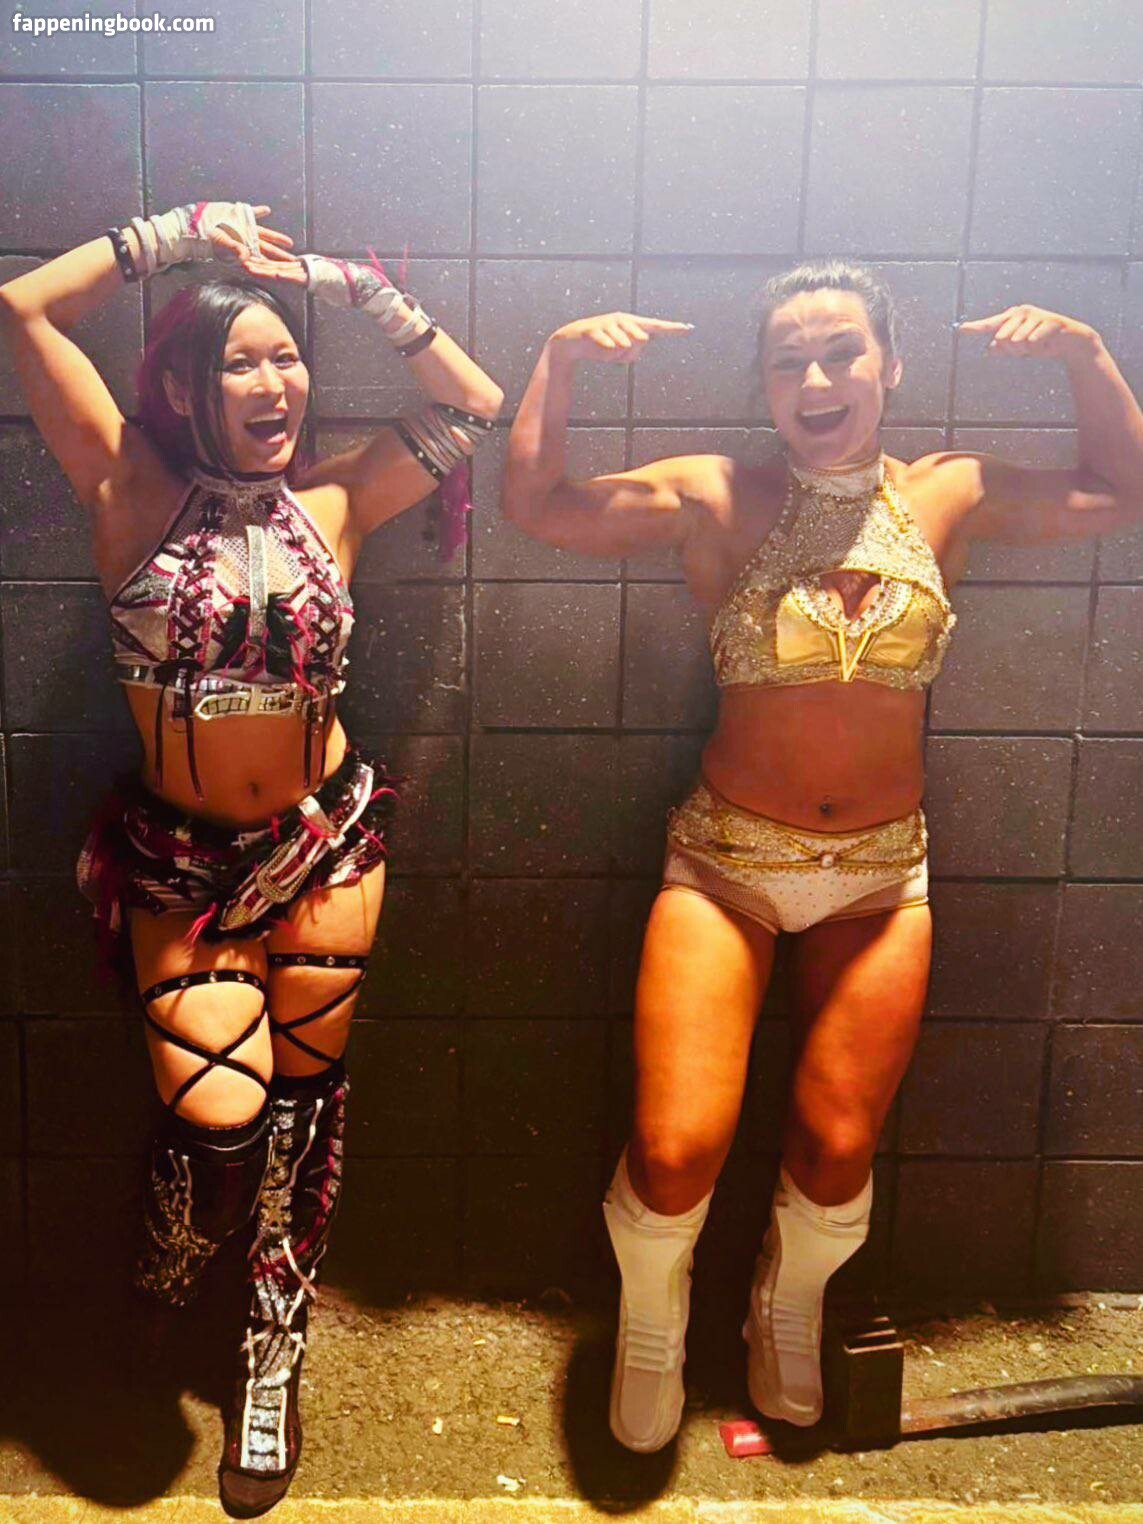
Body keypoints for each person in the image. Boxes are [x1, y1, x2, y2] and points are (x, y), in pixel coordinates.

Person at [500, 262, 1143, 1451]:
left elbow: (1122, 489)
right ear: (763, 384)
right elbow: (537, 503)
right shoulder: (717, 493)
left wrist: (1086, 357)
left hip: (880, 879)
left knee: (841, 1146)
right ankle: (652, 1316)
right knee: (674, 1149)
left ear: (889, 365)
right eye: (788, 360)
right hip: (727, 865)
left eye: (841, 352)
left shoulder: (948, 491)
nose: (816, 379)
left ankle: (786, 1304)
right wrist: (561, 362)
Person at [0, 199, 502, 1513]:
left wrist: (351, 283)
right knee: (218, 1117)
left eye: (288, 359)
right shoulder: (130, 489)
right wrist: (174, 235)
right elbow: (20, 309)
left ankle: (273, 1345)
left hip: (325, 847)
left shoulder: (335, 501)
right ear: (181, 385)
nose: (276, 383)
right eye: (242, 362)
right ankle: (171, 1262)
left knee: (303, 1113)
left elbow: (473, 405)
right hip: (180, 868)